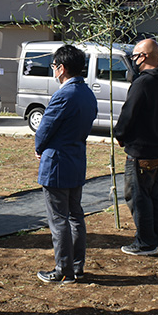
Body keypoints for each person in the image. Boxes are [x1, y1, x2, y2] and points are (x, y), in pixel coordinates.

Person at [34, 44, 98, 284]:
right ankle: (76, 266)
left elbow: (45, 129)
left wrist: (39, 148)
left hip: (57, 162)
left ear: (61, 68)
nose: (53, 70)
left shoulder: (63, 94)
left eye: (53, 66)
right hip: (76, 159)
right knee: (75, 216)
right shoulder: (87, 93)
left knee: (59, 218)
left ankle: (63, 269)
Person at [113, 36, 158, 256]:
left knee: (138, 196)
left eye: (135, 55)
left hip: (141, 150)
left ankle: (146, 242)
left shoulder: (143, 82)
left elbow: (129, 113)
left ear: (144, 57)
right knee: (156, 195)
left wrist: (119, 134)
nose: (133, 59)